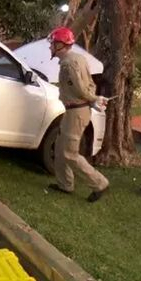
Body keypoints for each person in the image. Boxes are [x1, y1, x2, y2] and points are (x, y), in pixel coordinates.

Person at [46, 27, 110, 202]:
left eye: (53, 44)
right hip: (76, 110)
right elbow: (88, 83)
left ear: (60, 44)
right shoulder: (78, 58)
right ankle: (65, 184)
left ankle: (99, 183)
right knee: (60, 147)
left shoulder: (68, 64)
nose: (51, 47)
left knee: (70, 153)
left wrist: (93, 98)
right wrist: (92, 98)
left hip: (76, 111)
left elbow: (80, 88)